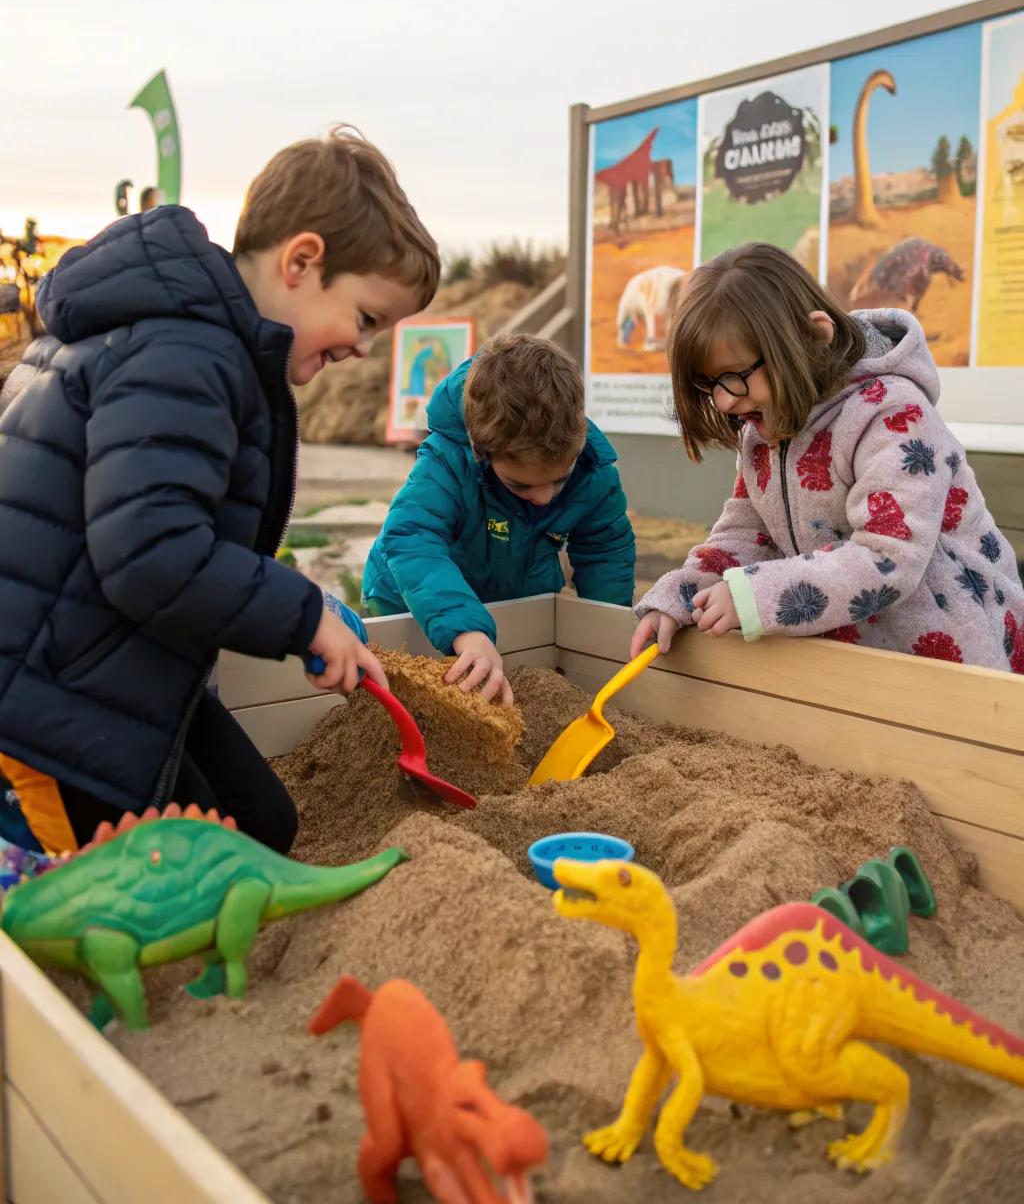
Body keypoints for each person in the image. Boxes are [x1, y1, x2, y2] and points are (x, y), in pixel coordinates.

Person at [0, 126, 440, 855]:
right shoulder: (184, 354)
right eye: (366, 319)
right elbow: (149, 554)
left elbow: (174, 528)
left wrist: (299, 606)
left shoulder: (201, 346)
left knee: (260, 827)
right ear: (302, 261)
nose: (365, 348)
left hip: (114, 661)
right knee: (105, 902)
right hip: (46, 706)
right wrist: (299, 616)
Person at [631, 242, 1024, 675]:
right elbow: (747, 532)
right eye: (710, 384)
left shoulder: (893, 414)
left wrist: (756, 596)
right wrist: (680, 598)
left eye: (734, 376)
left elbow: (887, 557)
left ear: (814, 338)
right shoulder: (765, 428)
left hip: (958, 657)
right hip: (862, 660)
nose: (724, 401)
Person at [363, 333, 636, 703]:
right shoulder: (448, 461)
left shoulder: (592, 470)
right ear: (481, 450)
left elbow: (606, 551)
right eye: (521, 486)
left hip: (514, 597)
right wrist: (467, 632)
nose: (542, 498)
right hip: (411, 597)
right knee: (419, 696)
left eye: (560, 480)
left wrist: (604, 638)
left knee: (508, 677)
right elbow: (412, 539)